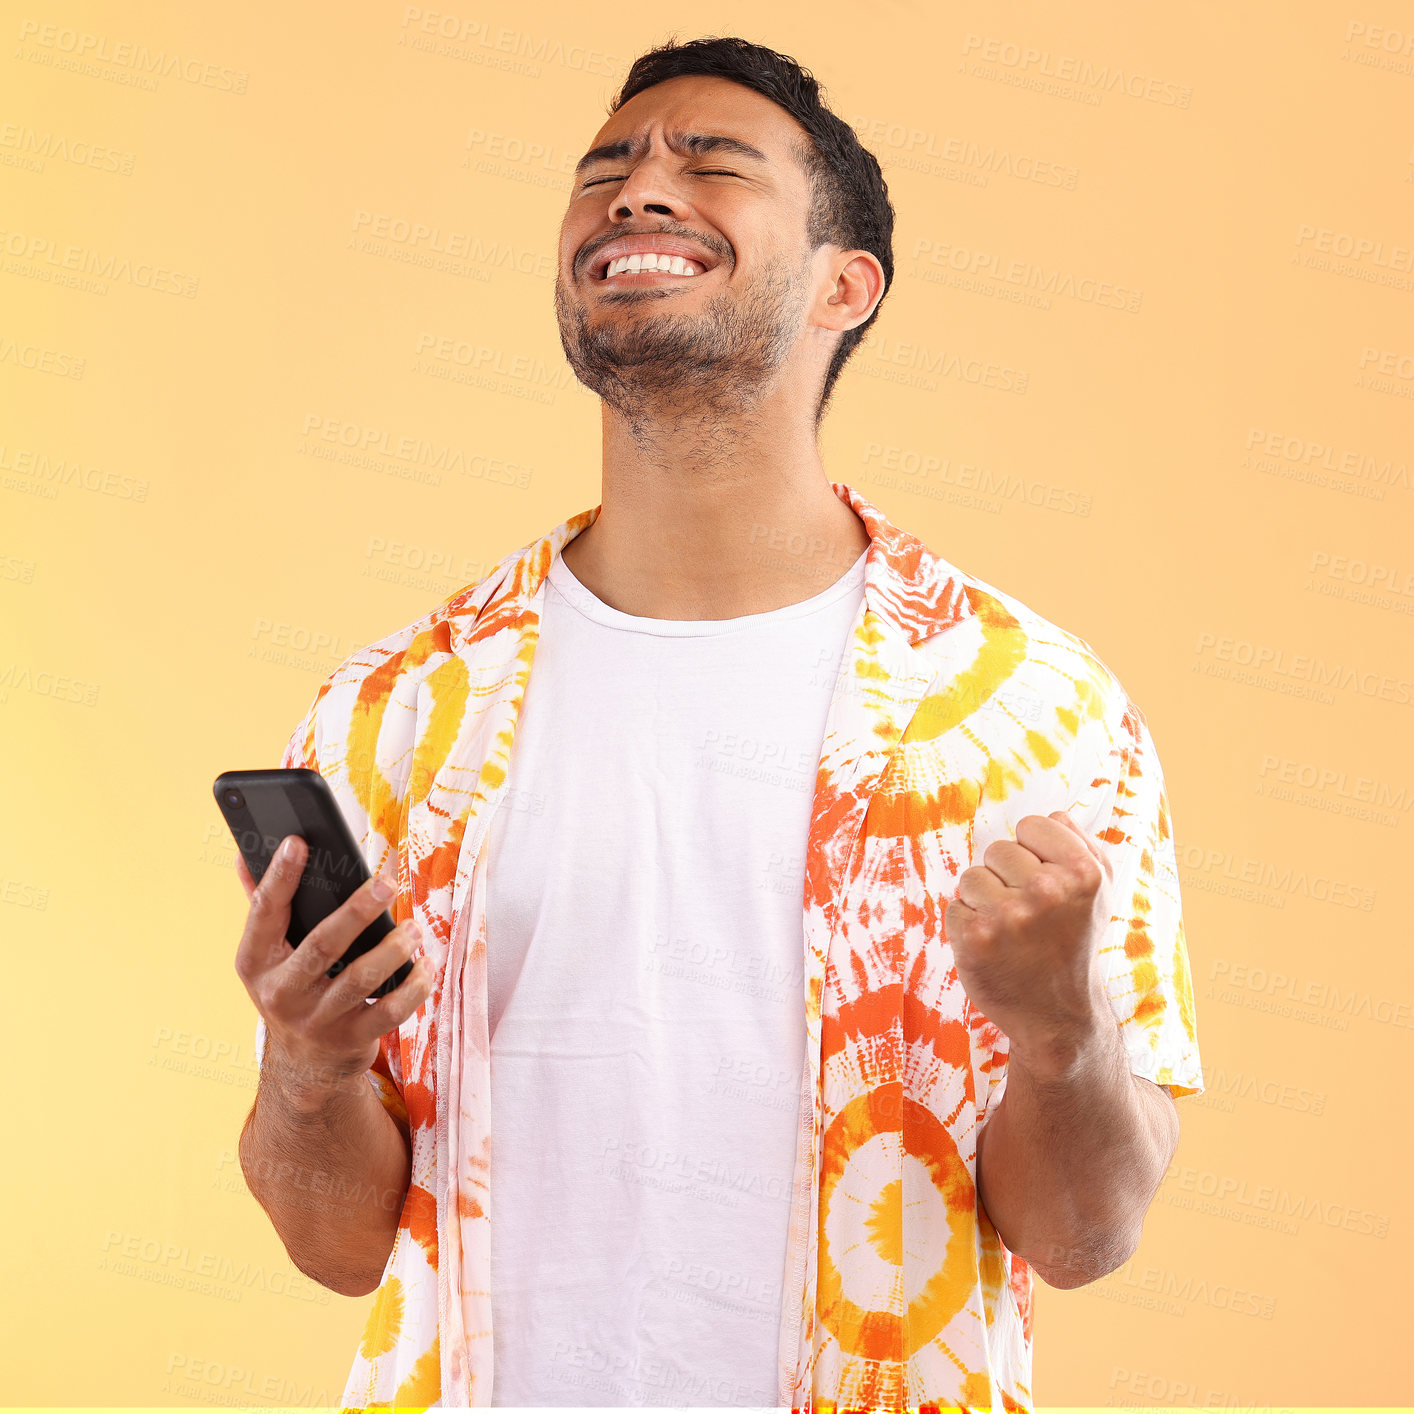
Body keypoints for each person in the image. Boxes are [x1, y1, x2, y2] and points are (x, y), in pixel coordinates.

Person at [234, 34, 1204, 1413]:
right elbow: (334, 1246)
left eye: (711, 164)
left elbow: (1081, 1233)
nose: (634, 193)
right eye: (605, 172)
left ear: (843, 284)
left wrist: (1061, 1034)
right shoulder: (396, 712)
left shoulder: (1031, 712)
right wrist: (306, 1061)